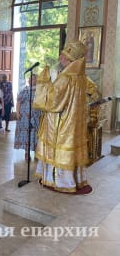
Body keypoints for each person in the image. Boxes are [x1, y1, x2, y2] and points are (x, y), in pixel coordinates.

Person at [33, 40, 89, 193]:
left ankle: (59, 181)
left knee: (59, 150)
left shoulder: (66, 78)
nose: (60, 58)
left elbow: (53, 101)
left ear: (71, 60)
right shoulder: (82, 77)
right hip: (73, 123)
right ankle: (74, 179)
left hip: (60, 122)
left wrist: (44, 81)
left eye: (64, 56)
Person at [14, 74, 42, 161]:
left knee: (35, 134)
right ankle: (27, 153)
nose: (31, 80)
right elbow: (18, 102)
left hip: (36, 116)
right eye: (30, 79)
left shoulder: (40, 90)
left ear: (36, 80)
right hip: (24, 117)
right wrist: (17, 113)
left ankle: (37, 153)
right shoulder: (24, 89)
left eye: (33, 79)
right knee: (27, 134)